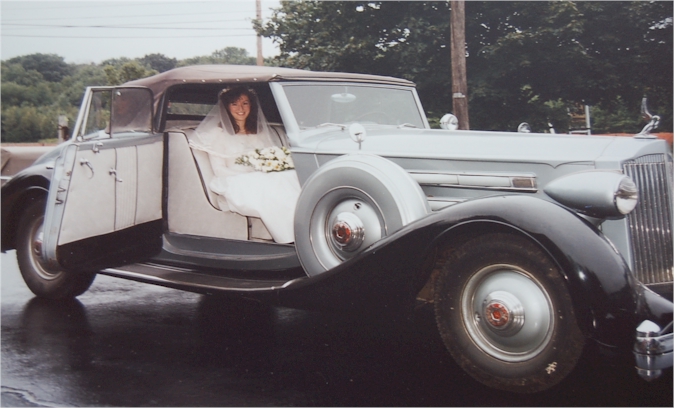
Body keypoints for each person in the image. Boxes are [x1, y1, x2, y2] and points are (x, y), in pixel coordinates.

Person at [192, 87, 301, 244]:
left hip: (260, 177)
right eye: (234, 104)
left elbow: (269, 158)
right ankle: (290, 238)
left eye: (245, 103)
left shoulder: (259, 131)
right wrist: (248, 173)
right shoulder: (217, 134)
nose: (241, 109)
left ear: (252, 105)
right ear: (226, 107)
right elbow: (219, 169)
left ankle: (304, 227)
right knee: (272, 183)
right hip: (232, 180)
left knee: (289, 176)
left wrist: (268, 166)